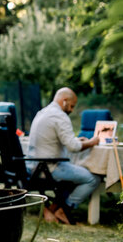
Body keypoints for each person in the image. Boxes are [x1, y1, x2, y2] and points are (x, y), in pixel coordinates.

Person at [26, 87, 101, 224]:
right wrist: (92, 142)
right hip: (50, 168)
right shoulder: (60, 116)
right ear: (64, 101)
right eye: (71, 106)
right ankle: (65, 209)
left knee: (77, 173)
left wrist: (79, 140)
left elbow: (61, 140)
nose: (72, 110)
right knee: (93, 179)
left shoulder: (43, 112)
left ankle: (54, 208)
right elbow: (73, 147)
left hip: (34, 166)